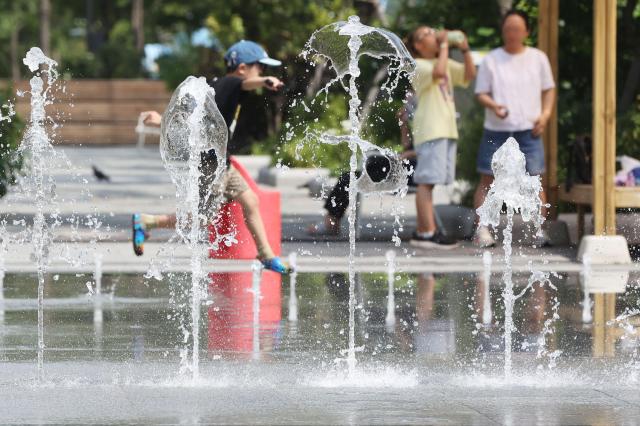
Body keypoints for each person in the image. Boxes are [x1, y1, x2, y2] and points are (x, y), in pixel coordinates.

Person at [133, 40, 292, 274]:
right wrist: (266, 82)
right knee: (201, 220)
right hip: (211, 165)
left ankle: (266, 255)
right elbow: (248, 82)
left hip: (221, 162)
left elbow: (192, 119)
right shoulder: (233, 82)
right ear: (242, 68)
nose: (263, 72)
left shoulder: (218, 87)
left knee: (251, 201)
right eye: (260, 67)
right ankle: (147, 221)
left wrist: (161, 120)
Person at [473, 10, 556, 248]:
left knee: (535, 179)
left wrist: (546, 114)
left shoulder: (538, 58)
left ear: (526, 32)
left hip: (528, 128)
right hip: (496, 128)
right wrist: (494, 105)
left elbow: (549, 89)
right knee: (487, 178)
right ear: (503, 31)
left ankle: (540, 230)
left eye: (517, 29)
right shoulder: (492, 59)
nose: (512, 34)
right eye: (508, 29)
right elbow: (481, 94)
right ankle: (482, 230)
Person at [405, 26, 476, 249]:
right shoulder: (418, 65)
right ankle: (426, 233)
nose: (434, 35)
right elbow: (438, 73)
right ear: (417, 45)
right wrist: (445, 45)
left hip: (445, 130)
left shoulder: (440, 62)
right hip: (431, 130)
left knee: (431, 182)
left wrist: (464, 50)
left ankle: (425, 230)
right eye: (427, 33)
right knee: (426, 182)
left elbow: (468, 75)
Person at [308, 98, 417, 236]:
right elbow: (408, 146)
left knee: (353, 176)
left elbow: (426, 152)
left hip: (414, 172)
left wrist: (408, 154)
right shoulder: (423, 116)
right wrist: (403, 124)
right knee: (350, 176)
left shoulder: (432, 118)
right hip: (405, 168)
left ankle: (331, 222)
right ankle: (331, 221)